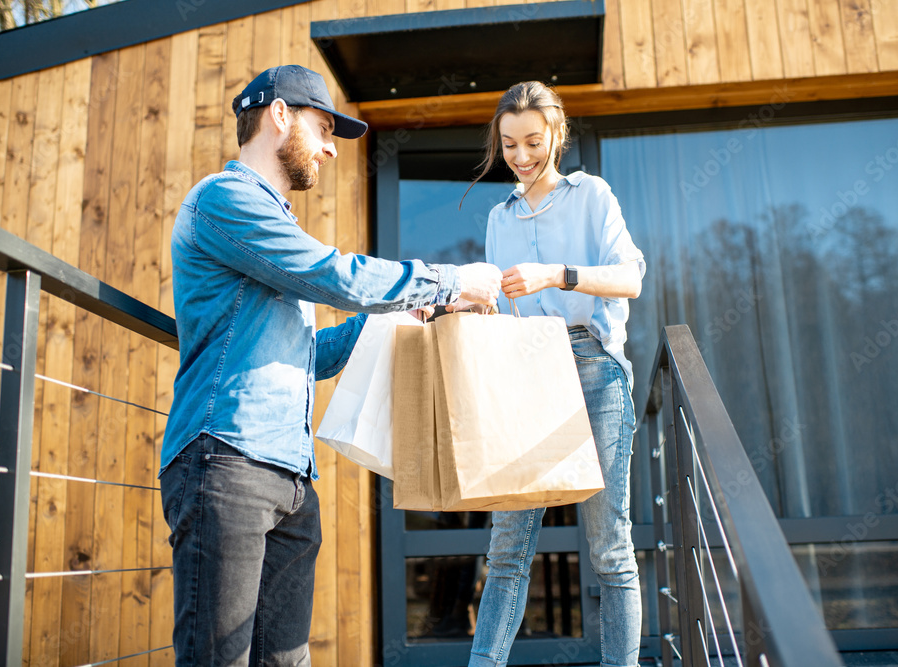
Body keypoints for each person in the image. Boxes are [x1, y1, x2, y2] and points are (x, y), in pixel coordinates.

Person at [158, 64, 501, 666]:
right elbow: (332, 275)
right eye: (323, 130)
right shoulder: (224, 200)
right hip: (227, 463)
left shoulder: (276, 226)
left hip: (290, 478)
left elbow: (307, 356)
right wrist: (445, 280)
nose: (330, 151)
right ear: (279, 115)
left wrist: (397, 318)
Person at [464, 81, 646, 667]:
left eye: (533, 143)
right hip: (525, 375)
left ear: (557, 135)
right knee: (508, 550)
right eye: (509, 144)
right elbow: (499, 305)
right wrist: (457, 302)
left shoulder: (591, 194)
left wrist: (557, 274)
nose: (520, 156)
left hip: (593, 370)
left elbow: (630, 280)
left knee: (609, 549)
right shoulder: (500, 215)